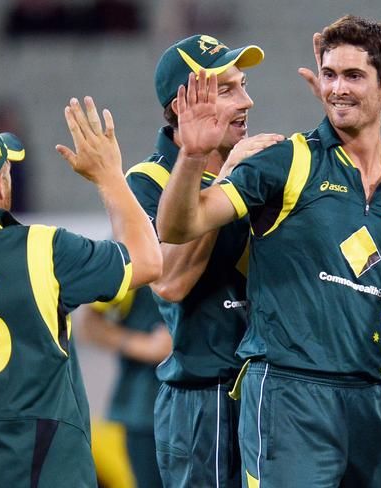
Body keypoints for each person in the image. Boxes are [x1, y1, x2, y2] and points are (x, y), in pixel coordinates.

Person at [157, 15, 381, 488]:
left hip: (369, 398)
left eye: (353, 76)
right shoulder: (286, 160)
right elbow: (179, 224)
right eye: (330, 74)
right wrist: (193, 157)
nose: (337, 88)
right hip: (285, 396)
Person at [0, 97, 161, 487]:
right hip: (41, 470)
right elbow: (147, 259)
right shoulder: (43, 249)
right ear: (0, 183)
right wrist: (110, 176)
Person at [125, 34, 283, 487]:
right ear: (183, 104)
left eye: (244, 85)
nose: (247, 101)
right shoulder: (148, 180)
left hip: (268, 389)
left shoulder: (257, 166)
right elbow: (169, 281)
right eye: (228, 90)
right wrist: (227, 179)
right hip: (201, 399)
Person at [79, 286, 172, 488]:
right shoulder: (137, 257)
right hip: (146, 410)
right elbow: (90, 324)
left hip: (213, 404)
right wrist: (145, 346)